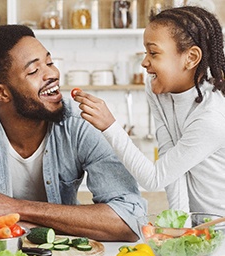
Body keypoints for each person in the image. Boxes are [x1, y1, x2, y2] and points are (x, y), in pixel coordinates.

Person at [0, 24, 147, 242]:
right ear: (2, 92)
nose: (52, 73)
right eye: (33, 71)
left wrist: (17, 208)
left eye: (49, 62)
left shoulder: (81, 121)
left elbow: (130, 221)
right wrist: (72, 224)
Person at [74, 6, 225, 215]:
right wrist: (181, 225)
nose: (145, 62)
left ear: (191, 57)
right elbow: (170, 162)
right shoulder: (158, 90)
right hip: (200, 226)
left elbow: (155, 179)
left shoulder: (212, 117)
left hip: (220, 225)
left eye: (153, 53)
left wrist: (110, 126)